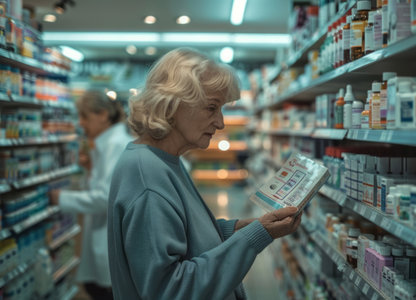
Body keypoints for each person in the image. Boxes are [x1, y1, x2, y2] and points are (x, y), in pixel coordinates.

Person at [107, 48, 302, 300]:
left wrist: (241, 229)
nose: (220, 123)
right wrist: (254, 238)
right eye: (211, 108)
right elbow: (171, 291)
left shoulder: (164, 160)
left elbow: (185, 238)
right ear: (173, 104)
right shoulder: (147, 177)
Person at [50, 90, 133, 300]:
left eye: (85, 117)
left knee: (105, 290)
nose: (81, 123)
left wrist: (62, 199)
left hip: (109, 243)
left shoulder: (115, 145)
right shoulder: (106, 144)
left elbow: (107, 198)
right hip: (103, 241)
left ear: (103, 115)